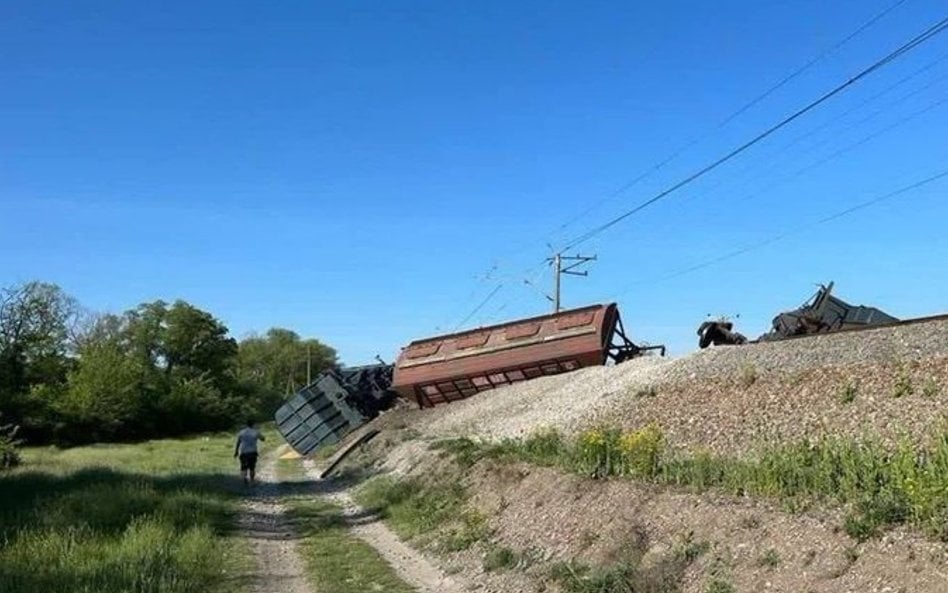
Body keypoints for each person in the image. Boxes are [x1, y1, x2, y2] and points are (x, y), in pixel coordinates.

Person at [234, 420, 265, 486]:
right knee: (252, 468)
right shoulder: (255, 432)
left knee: (244, 467)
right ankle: (252, 481)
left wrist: (236, 451)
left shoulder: (242, 432)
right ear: (253, 424)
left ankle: (245, 480)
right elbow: (263, 439)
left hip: (244, 452)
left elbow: (238, 442)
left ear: (246, 424)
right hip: (252, 452)